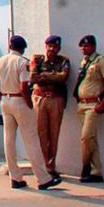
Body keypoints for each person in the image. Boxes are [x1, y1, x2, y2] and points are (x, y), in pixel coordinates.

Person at [0, 35, 62, 190]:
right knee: (31, 140)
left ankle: (15, 178)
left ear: (10, 46)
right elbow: (24, 87)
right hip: (20, 100)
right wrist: (29, 104)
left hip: (6, 100)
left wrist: (2, 97)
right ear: (22, 49)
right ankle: (43, 178)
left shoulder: (0, 62)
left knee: (9, 140)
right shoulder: (23, 62)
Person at [73, 34, 104, 183]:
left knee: (86, 137)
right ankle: (96, 171)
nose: (84, 49)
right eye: (82, 46)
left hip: (93, 104)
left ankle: (86, 168)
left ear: (93, 46)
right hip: (82, 104)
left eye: (86, 46)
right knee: (91, 139)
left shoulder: (101, 61)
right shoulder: (84, 62)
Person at [30, 35, 70, 179]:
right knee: (41, 133)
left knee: (54, 134)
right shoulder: (37, 60)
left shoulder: (64, 61)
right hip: (40, 99)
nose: (52, 49)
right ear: (45, 46)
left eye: (55, 47)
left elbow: (64, 77)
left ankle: (51, 167)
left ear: (59, 48)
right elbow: (33, 78)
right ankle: (43, 166)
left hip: (56, 99)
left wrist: (44, 75)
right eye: (50, 46)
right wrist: (54, 75)